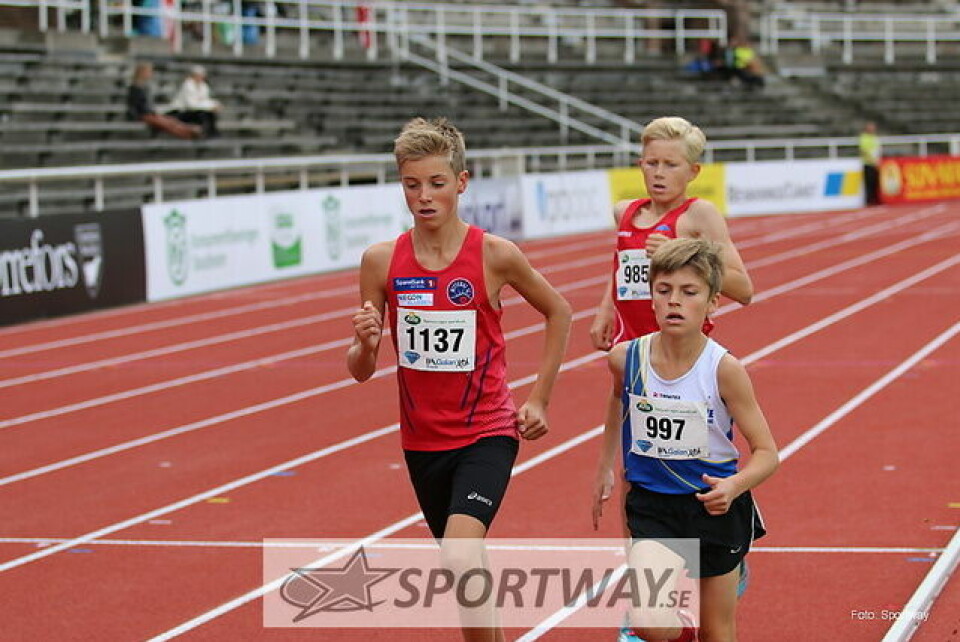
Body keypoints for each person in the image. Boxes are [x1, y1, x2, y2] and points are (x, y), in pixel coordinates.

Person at [347, 117, 572, 642]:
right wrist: (365, 343)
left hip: (486, 431)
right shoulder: (381, 262)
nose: (424, 196)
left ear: (462, 182)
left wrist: (539, 399)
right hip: (422, 441)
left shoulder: (494, 254)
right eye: (412, 185)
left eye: (436, 183)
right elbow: (360, 371)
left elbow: (559, 311)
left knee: (460, 553)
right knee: (467, 572)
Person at [592, 237, 779, 642]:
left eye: (689, 292)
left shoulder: (724, 369)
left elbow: (767, 452)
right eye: (664, 290)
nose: (674, 301)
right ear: (651, 298)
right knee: (647, 621)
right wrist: (605, 467)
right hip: (653, 506)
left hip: (713, 506)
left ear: (712, 303)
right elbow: (617, 405)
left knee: (718, 631)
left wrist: (733, 486)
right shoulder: (625, 359)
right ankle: (683, 634)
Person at [590, 116, 752, 352]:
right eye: (652, 163)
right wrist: (606, 310)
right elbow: (621, 267)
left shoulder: (699, 215)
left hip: (680, 350)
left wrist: (680, 254)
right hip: (630, 346)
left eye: (670, 165)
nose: (659, 173)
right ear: (640, 165)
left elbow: (744, 290)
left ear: (693, 171)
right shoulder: (624, 212)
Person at [126, 62, 202, 140]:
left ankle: (189, 130)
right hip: (142, 115)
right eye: (149, 71)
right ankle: (187, 134)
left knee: (170, 120)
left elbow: (146, 105)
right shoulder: (135, 88)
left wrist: (153, 112)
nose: (150, 74)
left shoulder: (144, 87)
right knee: (164, 123)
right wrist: (150, 113)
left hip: (149, 113)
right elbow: (137, 106)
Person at [168, 65, 222, 138]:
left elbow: (205, 100)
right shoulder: (187, 85)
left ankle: (210, 133)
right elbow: (191, 105)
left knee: (209, 114)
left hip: (195, 111)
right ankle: (206, 134)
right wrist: (211, 106)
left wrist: (215, 104)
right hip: (181, 111)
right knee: (203, 114)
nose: (201, 77)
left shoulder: (204, 86)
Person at [859, 121, 881, 206]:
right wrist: (872, 160)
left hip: (876, 163)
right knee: (869, 183)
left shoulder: (874, 137)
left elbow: (877, 149)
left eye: (873, 127)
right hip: (868, 163)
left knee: (876, 182)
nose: (872, 129)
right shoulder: (864, 137)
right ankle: (869, 201)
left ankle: (876, 199)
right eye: (870, 127)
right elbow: (864, 150)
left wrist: (877, 160)